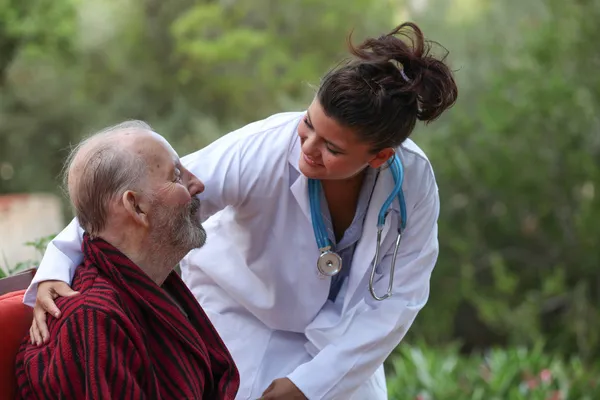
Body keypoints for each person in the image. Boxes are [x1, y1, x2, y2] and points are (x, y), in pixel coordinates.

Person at [25, 21, 457, 400]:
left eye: (332, 148)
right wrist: (58, 262)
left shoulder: (412, 187)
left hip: (338, 342)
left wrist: (313, 384)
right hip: (240, 314)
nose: (306, 149)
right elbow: (133, 195)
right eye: (308, 124)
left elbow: (398, 300)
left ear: (379, 157)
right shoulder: (265, 147)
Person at [15, 122, 240, 399]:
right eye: (177, 175)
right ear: (135, 206)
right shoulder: (92, 321)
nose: (198, 184)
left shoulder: (157, 286)